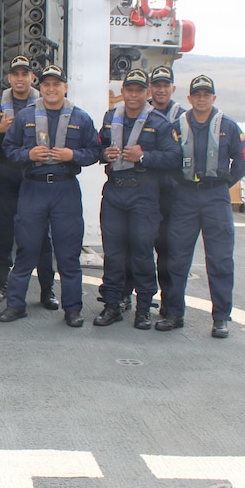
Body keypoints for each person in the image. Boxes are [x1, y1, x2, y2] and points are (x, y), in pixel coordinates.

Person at [0, 64, 101, 326]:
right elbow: (8, 148)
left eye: (57, 84)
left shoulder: (81, 118)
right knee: (27, 249)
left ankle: (73, 309)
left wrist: (73, 155)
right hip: (34, 188)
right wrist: (28, 155)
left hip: (65, 189)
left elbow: (95, 151)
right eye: (46, 85)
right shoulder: (25, 117)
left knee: (68, 252)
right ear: (39, 87)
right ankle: (16, 304)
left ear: (65, 87)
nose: (51, 89)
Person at [161, 75, 245, 338]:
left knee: (220, 259)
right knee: (177, 258)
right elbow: (168, 161)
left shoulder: (229, 127)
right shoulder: (177, 126)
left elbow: (242, 163)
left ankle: (221, 317)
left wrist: (222, 183)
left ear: (213, 98)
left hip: (215, 198)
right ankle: (174, 313)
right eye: (196, 95)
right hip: (185, 197)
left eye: (206, 94)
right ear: (189, 98)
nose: (201, 99)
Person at [93, 69, 181, 330]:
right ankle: (112, 305)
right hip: (115, 192)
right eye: (129, 90)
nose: (133, 95)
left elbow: (174, 157)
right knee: (113, 252)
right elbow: (96, 145)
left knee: (142, 252)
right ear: (123, 92)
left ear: (147, 93)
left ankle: (143, 308)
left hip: (143, 193)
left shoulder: (159, 123)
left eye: (139, 90)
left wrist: (144, 157)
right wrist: (104, 153)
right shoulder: (111, 118)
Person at [0, 55, 57, 309]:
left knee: (42, 236)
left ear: (32, 78)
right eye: (15, 74)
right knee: (4, 232)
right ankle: (2, 283)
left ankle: (47, 289)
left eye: (24, 74)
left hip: (36, 175)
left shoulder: (46, 102)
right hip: (8, 174)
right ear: (9, 78)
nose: (19, 78)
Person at [146, 64, 186, 320]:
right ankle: (133, 298)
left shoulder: (184, 118)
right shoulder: (138, 111)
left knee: (169, 251)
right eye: (157, 85)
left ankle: (170, 306)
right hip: (143, 190)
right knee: (135, 247)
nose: (161, 90)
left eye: (165, 85)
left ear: (173, 88)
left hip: (172, 194)